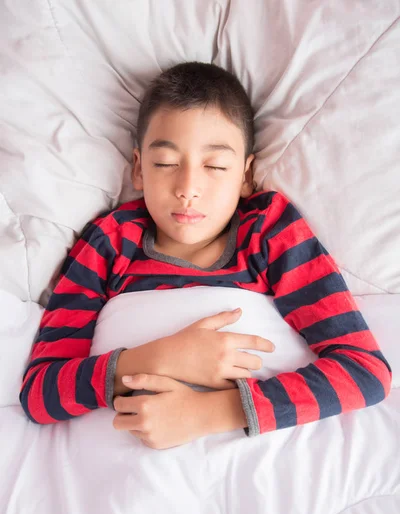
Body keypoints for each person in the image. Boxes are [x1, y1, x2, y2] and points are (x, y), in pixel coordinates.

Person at [20, 62, 392, 449]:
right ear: (139, 169)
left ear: (246, 175)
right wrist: (156, 358)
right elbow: (39, 393)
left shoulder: (268, 230)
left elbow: (364, 371)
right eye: (165, 164)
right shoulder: (109, 242)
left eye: (214, 166)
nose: (188, 188)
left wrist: (204, 413)